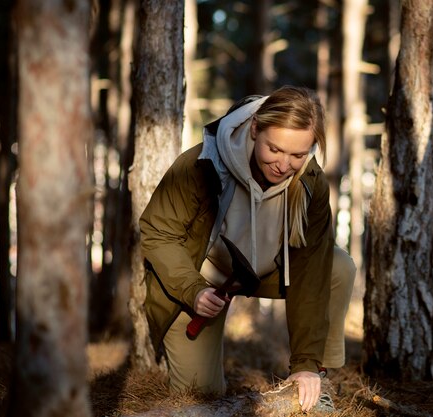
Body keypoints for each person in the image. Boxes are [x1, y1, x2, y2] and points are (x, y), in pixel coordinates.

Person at [139, 85, 356, 413]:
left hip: (267, 271)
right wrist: (192, 290)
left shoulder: (311, 182)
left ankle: (317, 379)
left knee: (337, 266)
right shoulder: (201, 164)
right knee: (200, 394)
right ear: (255, 130)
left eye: (298, 154)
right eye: (275, 149)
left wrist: (306, 363)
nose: (284, 164)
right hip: (203, 278)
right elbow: (158, 233)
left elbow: (311, 270)